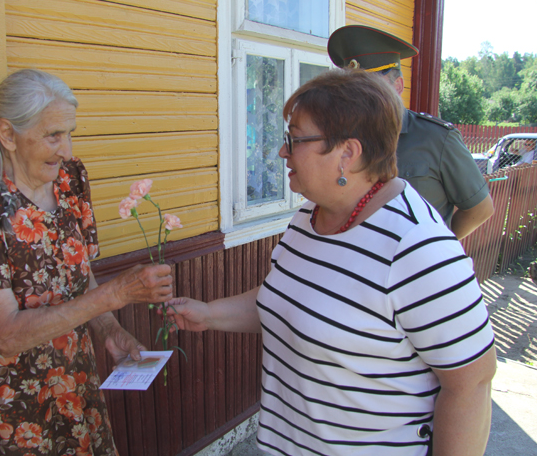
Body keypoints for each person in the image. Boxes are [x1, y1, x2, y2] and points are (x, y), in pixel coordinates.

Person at [166, 69, 496, 456]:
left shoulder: (417, 247)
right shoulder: (310, 216)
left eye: (295, 139)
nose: (283, 151)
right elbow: (288, 298)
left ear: (347, 153)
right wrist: (209, 314)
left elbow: (471, 384)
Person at [0, 69, 173, 456]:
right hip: (7, 400)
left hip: (74, 380)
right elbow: (4, 334)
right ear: (7, 134)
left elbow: (81, 274)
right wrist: (114, 295)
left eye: (69, 133)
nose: (66, 149)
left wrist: (109, 329)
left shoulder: (70, 178)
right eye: (53, 135)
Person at [327, 25, 495, 240]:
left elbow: (480, 209)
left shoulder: (436, 138)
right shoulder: (342, 139)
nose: (359, 97)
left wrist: (436, 248)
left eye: (371, 87)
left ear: (398, 86)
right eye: (351, 89)